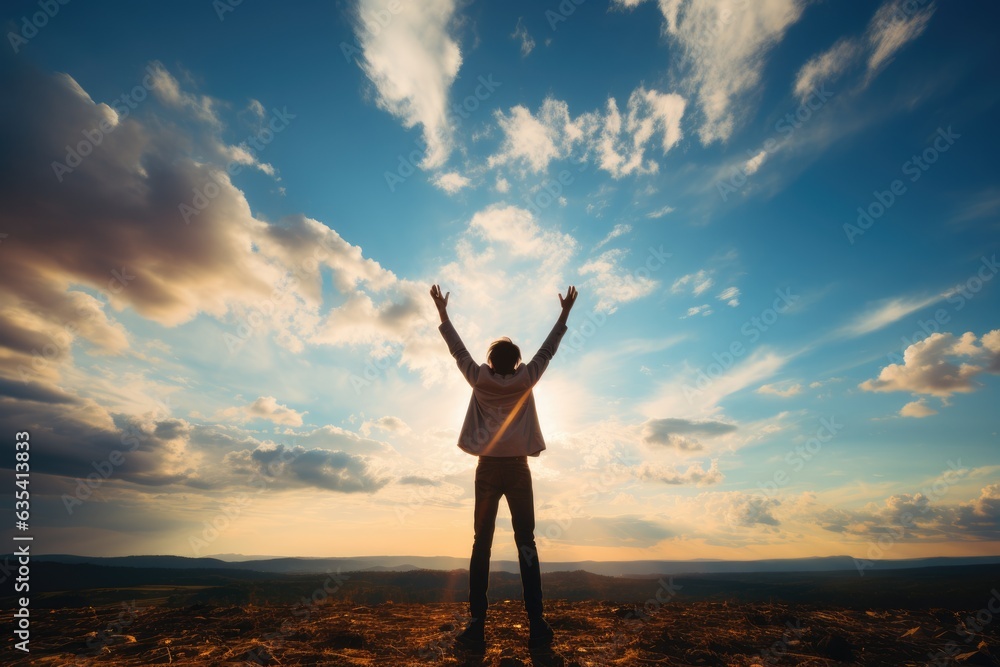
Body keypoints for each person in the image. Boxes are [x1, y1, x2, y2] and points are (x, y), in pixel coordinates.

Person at [430, 283, 578, 653]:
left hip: (486, 469)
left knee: (482, 543)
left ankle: (477, 625)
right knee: (526, 542)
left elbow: (457, 349)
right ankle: (537, 626)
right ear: (516, 363)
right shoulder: (527, 379)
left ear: (491, 361)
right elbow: (549, 350)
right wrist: (564, 315)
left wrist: (443, 313)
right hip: (517, 469)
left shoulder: (478, 379)